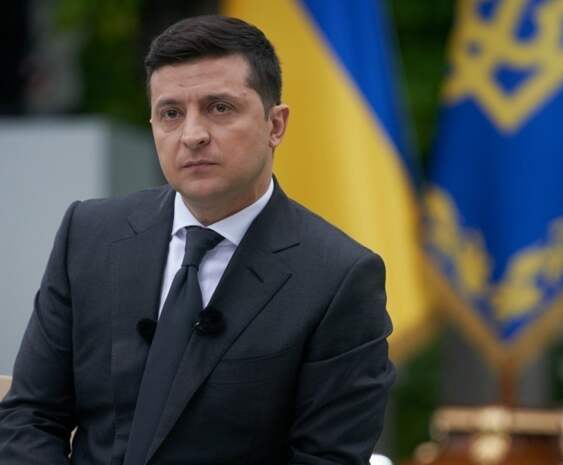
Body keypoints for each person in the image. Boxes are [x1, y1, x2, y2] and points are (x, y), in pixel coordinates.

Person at [0, 15, 395, 465]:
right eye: (171, 113)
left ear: (276, 125)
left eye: (219, 108)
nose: (192, 135)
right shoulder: (89, 234)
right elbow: (30, 417)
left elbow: (326, 458)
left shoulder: (339, 278)